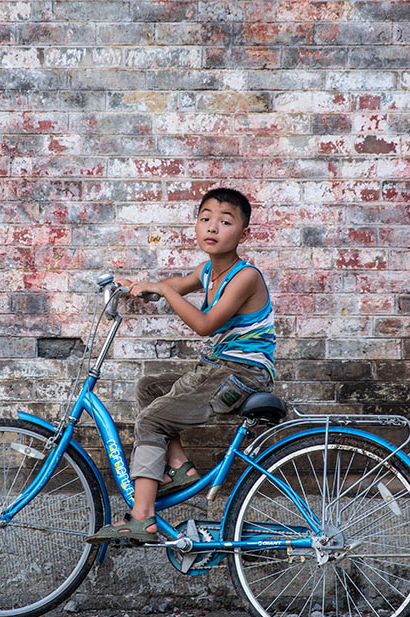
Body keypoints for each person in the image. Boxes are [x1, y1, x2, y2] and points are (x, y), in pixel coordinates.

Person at [86, 187, 276, 544]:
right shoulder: (208, 271)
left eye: (225, 221)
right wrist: (138, 287)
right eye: (205, 219)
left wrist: (167, 293)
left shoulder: (245, 276)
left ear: (244, 234)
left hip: (242, 375)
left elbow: (206, 324)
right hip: (220, 368)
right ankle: (179, 467)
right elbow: (175, 283)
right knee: (150, 387)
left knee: (151, 419)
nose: (212, 228)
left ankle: (143, 518)